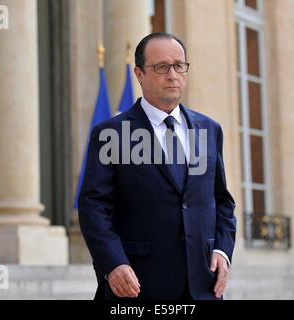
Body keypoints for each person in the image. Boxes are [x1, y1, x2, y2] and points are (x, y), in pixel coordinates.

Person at [78, 32, 236, 300]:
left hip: (203, 287)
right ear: (139, 74)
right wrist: (113, 263)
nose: (173, 75)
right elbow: (94, 206)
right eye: (162, 67)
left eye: (179, 65)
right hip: (137, 287)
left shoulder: (208, 130)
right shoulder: (112, 134)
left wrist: (222, 251)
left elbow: (221, 201)